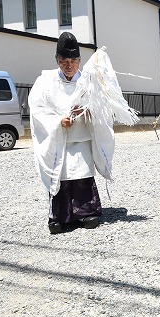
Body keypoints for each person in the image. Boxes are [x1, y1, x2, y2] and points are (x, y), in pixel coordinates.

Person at [29, 33, 103, 234]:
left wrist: (88, 111)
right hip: (58, 139)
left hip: (81, 138)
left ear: (79, 61)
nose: (69, 65)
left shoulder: (88, 81)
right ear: (57, 61)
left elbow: (102, 107)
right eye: (64, 61)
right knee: (59, 175)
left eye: (73, 61)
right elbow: (37, 109)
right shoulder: (45, 81)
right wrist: (57, 121)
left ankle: (87, 212)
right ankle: (60, 217)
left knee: (82, 173)